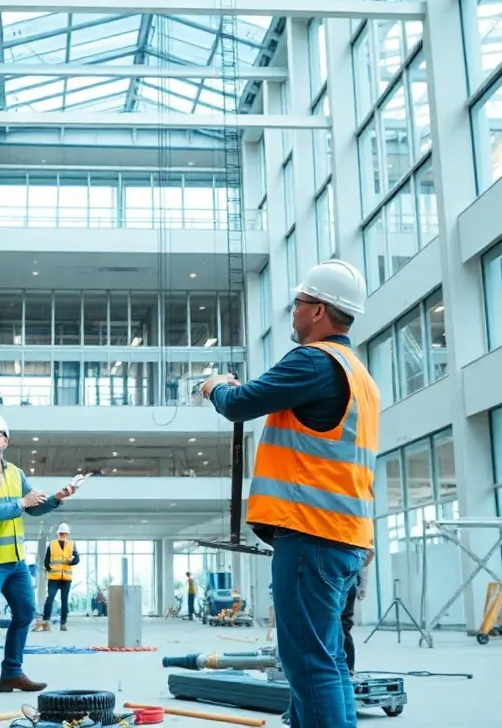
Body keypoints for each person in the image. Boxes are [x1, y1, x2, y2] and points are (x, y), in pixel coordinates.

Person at [200, 260, 377, 728]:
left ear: (318, 310)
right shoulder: (361, 376)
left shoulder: (314, 360)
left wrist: (216, 386)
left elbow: (240, 404)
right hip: (347, 538)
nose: (293, 314)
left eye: (298, 304)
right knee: (329, 660)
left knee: (308, 664)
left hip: (310, 535)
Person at [0, 412, 78, 703]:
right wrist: (22, 502)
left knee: (25, 613)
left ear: (6, 441)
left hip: (15, 561)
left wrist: (57, 498)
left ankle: (11, 672)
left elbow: (33, 508)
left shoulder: (15, 473)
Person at [39, 523, 80, 631]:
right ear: (58, 534)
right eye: (61, 534)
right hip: (54, 578)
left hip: (66, 578)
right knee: (50, 599)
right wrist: (48, 569)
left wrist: (71, 562)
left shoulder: (71, 545)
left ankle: (63, 622)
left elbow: (77, 559)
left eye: (65, 534)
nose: (63, 536)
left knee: (64, 600)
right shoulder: (52, 545)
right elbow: (46, 561)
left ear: (68, 535)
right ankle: (46, 620)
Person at [340, 554, 372, 675]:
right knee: (343, 625)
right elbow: (369, 553)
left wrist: (363, 584)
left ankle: (347, 670)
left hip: (343, 579)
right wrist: (362, 584)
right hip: (348, 579)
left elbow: (369, 552)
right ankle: (348, 670)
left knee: (341, 626)